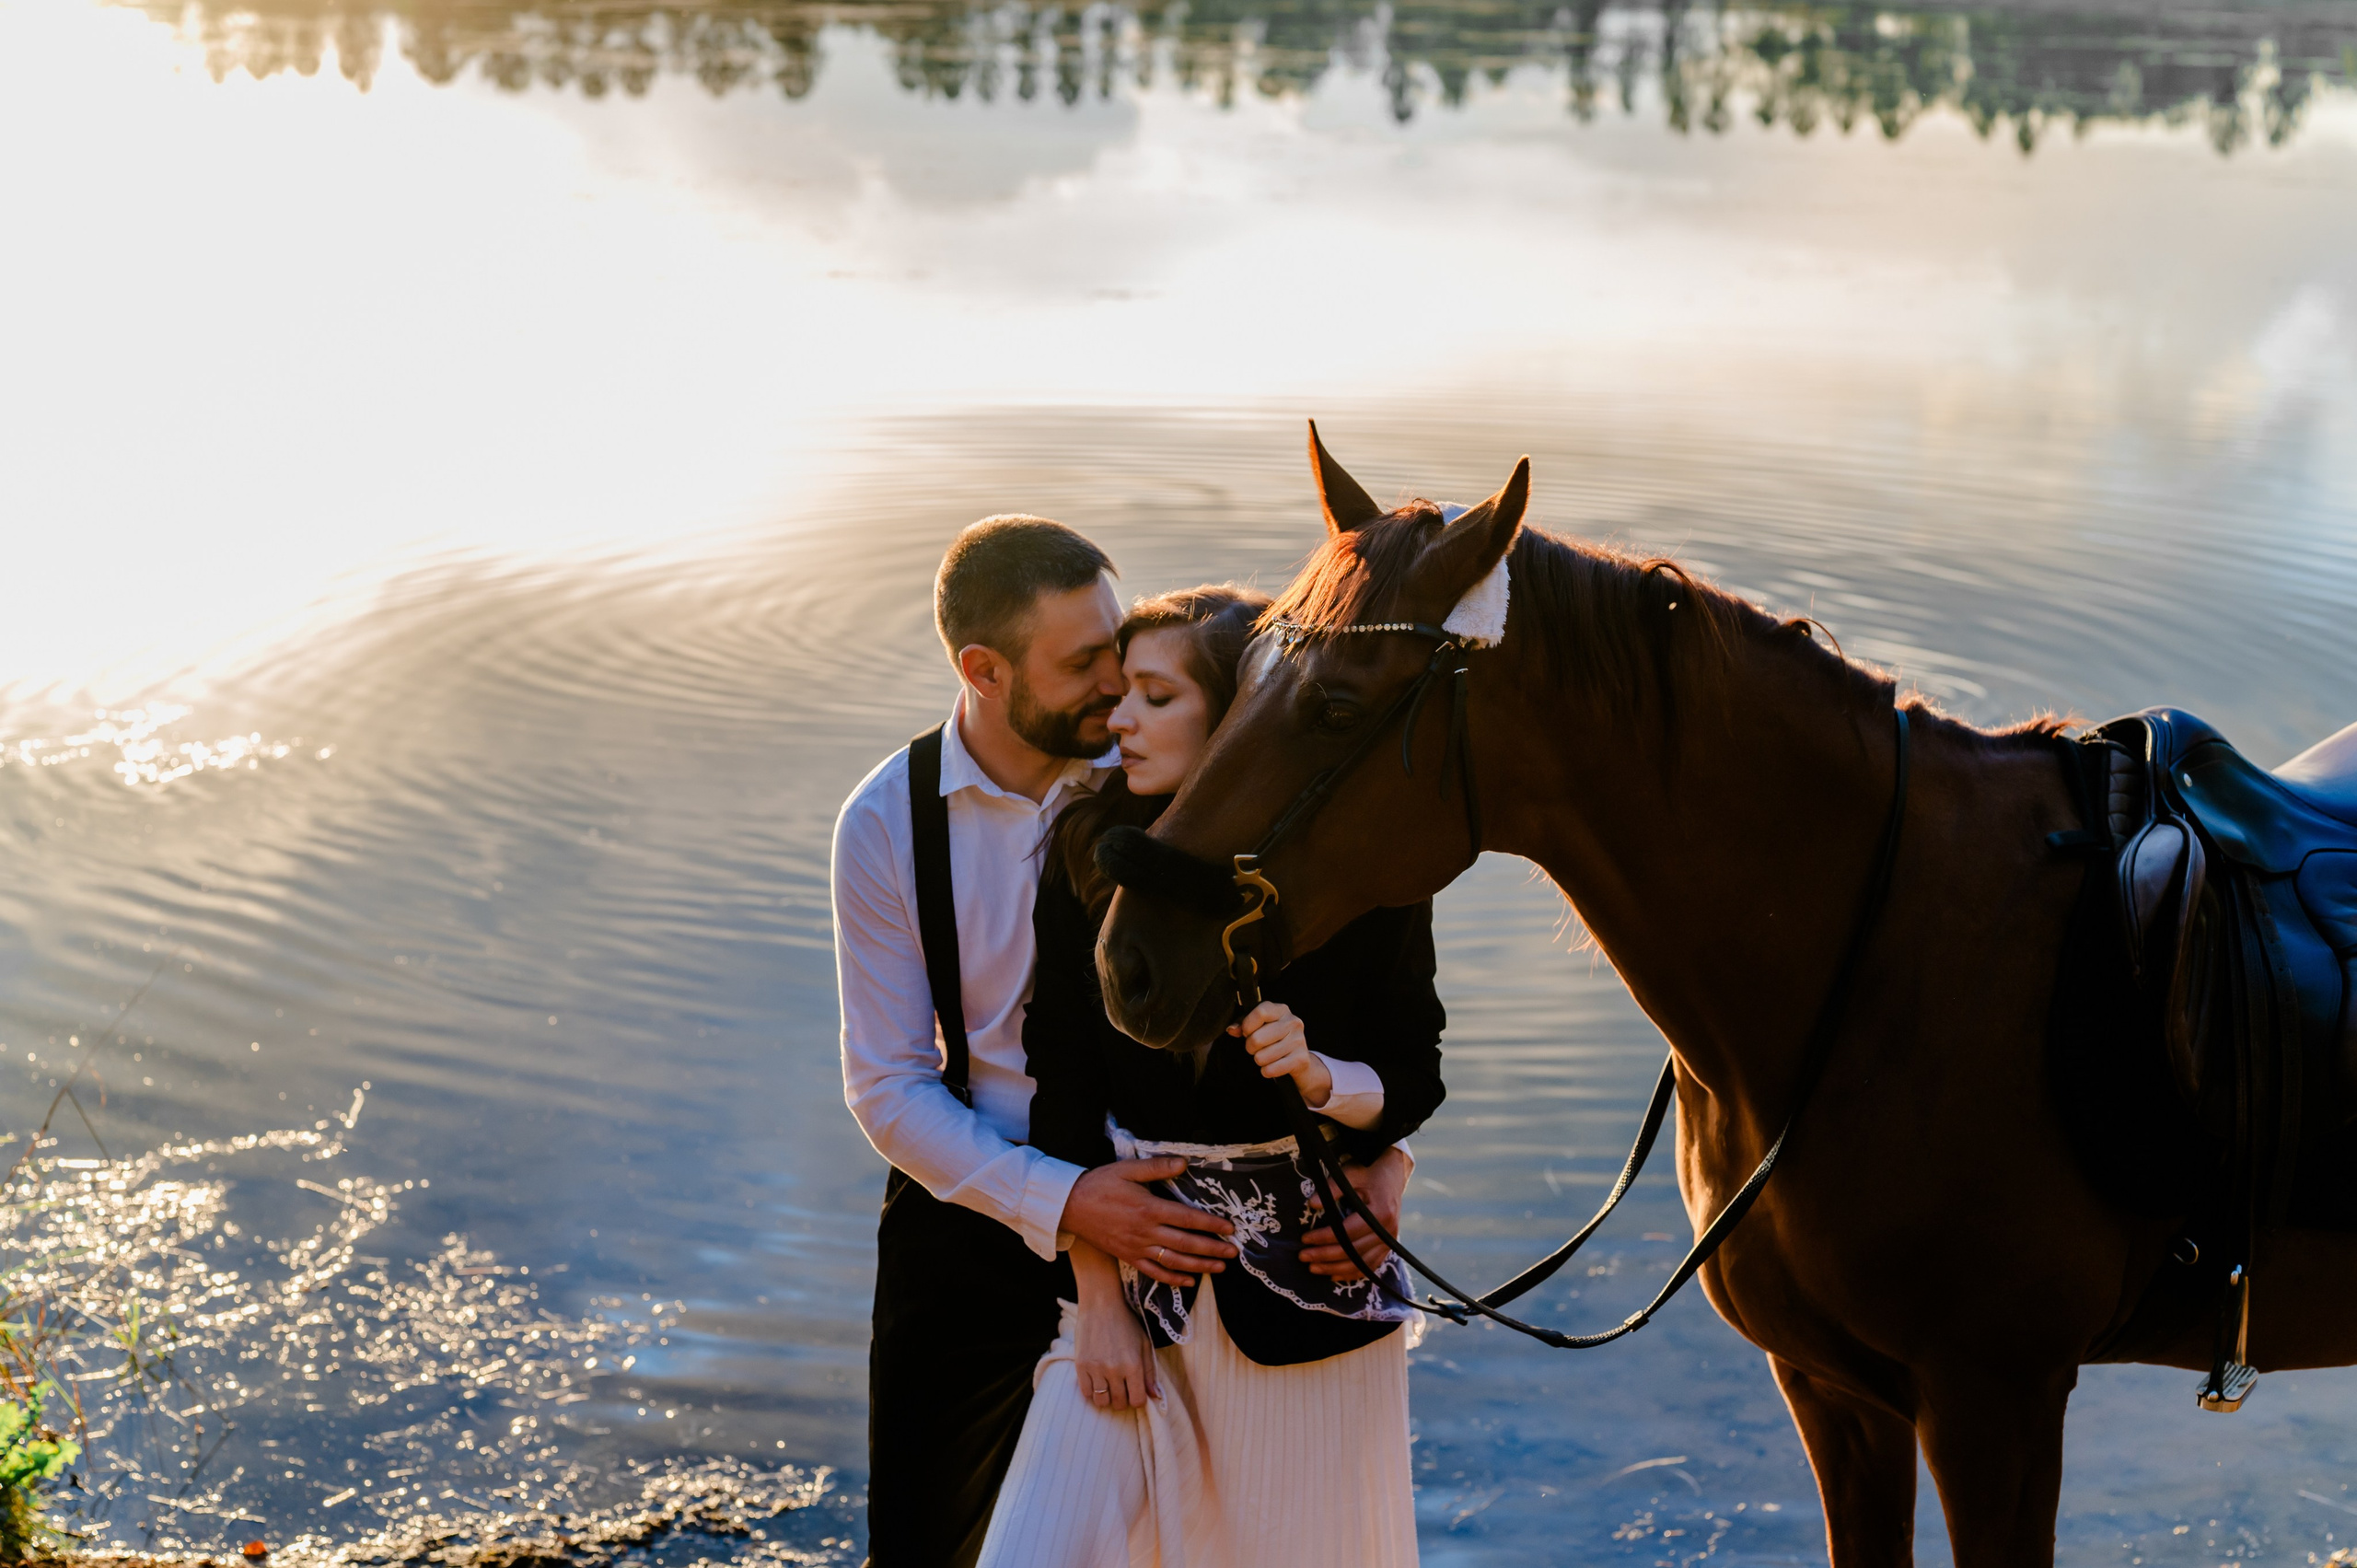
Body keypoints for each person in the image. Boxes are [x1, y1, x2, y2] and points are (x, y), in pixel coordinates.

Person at [977, 586, 1445, 1568]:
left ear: (1239, 719)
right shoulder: (1088, 849)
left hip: (1309, 1313)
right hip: (1126, 1307)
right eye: (1123, 693)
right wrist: (1096, 1301)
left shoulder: (1367, 878)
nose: (1118, 720)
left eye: (1155, 697)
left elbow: (1414, 1071)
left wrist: (1322, 1079)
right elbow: (1062, 1080)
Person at [833, 519, 1250, 1567]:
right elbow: (887, 1086)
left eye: (1118, 644)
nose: (1117, 684)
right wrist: (1063, 1203)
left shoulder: (1164, 769)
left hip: (1168, 1203)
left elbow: (1317, 965)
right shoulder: (885, 821)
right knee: (925, 1541)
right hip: (968, 1214)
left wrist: (1382, 1149)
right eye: (1083, 663)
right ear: (984, 670)